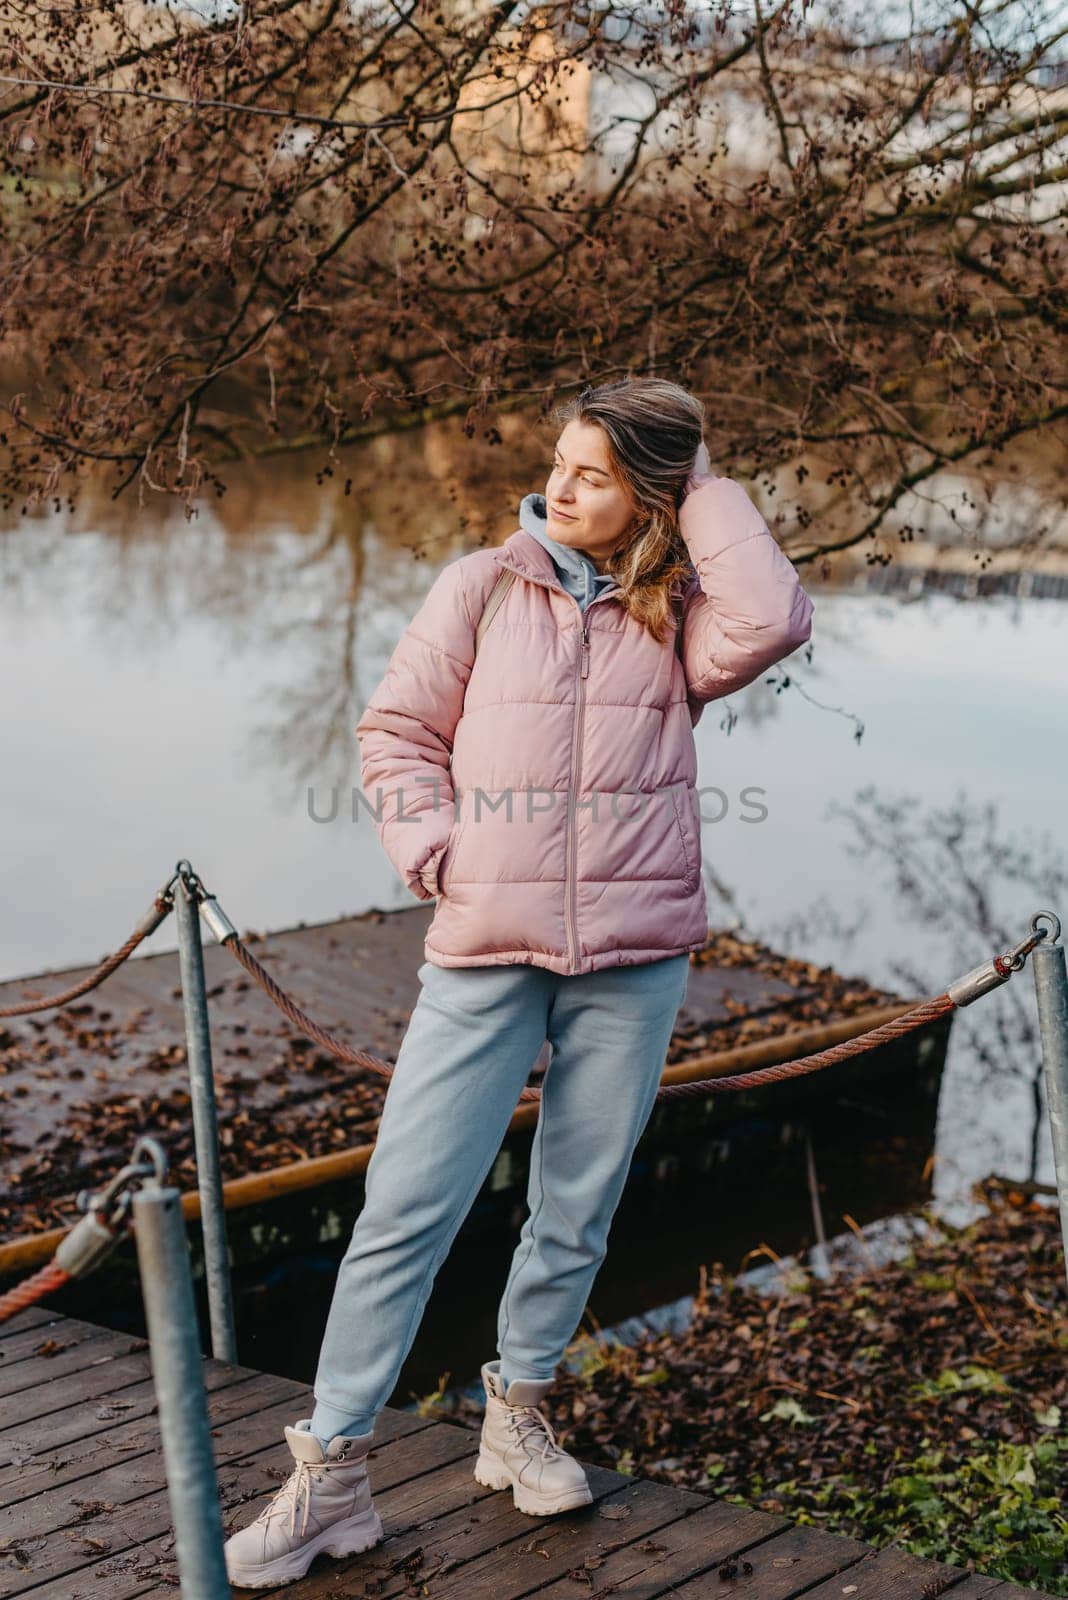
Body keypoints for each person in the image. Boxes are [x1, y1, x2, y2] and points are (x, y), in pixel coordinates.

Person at [223, 376, 815, 1588]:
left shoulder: (678, 611)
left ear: (651, 495)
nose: (561, 486)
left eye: (597, 474)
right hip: (487, 949)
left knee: (577, 1205)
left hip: (637, 959)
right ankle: (331, 1471)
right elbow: (395, 731)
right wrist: (438, 848)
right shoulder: (482, 586)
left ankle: (518, 1413)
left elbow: (775, 618)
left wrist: (698, 481)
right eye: (561, 462)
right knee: (405, 1211)